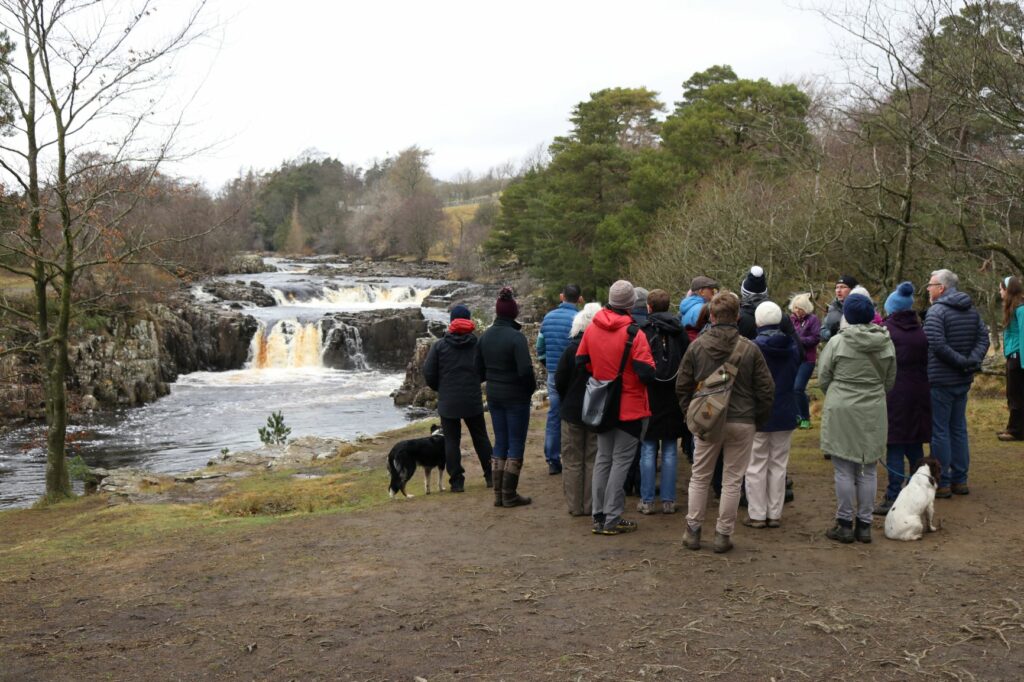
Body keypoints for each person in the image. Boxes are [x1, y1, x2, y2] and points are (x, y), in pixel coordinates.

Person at [676, 291, 775, 553]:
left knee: (700, 477)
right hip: (743, 420)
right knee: (732, 481)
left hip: (708, 417)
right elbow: (766, 390)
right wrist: (757, 419)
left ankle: (693, 532)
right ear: (738, 316)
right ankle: (722, 535)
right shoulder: (750, 348)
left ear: (711, 316)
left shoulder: (697, 346)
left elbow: (682, 385)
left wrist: (691, 416)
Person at [577, 280, 656, 535]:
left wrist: (602, 376)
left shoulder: (592, 328)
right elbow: (646, 373)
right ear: (632, 303)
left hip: (601, 403)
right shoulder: (635, 333)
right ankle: (612, 517)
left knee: (603, 459)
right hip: (629, 406)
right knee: (620, 462)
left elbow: (582, 361)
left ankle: (598, 516)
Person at [819, 293, 896, 544]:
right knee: (869, 468)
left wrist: (838, 392)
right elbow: (890, 380)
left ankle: (844, 523)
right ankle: (864, 525)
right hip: (873, 407)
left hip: (842, 407)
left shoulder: (837, 343)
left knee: (843, 469)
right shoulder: (886, 342)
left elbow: (823, 377)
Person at [923, 269, 990, 497]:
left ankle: (943, 482)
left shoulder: (936, 312)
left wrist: (964, 361)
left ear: (941, 288)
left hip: (941, 379)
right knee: (958, 429)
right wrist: (971, 361)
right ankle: (960, 480)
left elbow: (937, 345)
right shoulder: (972, 311)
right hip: (963, 378)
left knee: (941, 431)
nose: (928, 289)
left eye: (931, 285)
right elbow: (984, 338)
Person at [873, 282, 931, 515]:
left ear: (891, 309)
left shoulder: (886, 332)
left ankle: (893, 495)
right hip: (919, 392)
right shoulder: (920, 331)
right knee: (915, 445)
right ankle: (918, 490)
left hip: (895, 394)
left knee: (895, 445)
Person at [422, 304, 493, 493]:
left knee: (451, 441)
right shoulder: (477, 344)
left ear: (451, 321)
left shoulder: (439, 346)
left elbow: (429, 373)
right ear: (469, 321)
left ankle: (457, 481)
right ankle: (491, 475)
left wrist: (441, 388)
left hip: (448, 401)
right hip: (472, 399)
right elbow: (485, 370)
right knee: (481, 438)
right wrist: (475, 381)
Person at [476, 287, 537, 507]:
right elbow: (525, 371)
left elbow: (478, 370)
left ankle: (499, 495)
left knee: (500, 441)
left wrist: (492, 380)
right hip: (515, 397)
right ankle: (509, 494)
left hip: (494, 395)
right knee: (516, 442)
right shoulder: (516, 337)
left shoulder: (485, 337)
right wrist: (529, 390)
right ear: (513, 313)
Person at [744, 301, 800, 529]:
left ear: (758, 322)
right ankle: (774, 513)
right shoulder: (793, 347)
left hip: (758, 411)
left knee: (756, 463)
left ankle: (757, 514)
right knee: (778, 464)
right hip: (785, 409)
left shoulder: (752, 348)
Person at [637, 289, 689, 515]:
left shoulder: (644, 331)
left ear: (649, 307)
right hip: (674, 394)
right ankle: (668, 500)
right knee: (669, 449)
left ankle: (647, 500)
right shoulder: (680, 331)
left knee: (648, 449)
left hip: (650, 394)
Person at [554, 302, 602, 516]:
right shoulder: (603, 349)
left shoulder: (571, 350)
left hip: (572, 410)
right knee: (593, 458)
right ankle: (591, 505)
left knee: (572, 459)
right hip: (597, 411)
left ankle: (575, 506)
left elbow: (559, 381)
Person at [539, 284, 584, 475]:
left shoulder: (547, 318)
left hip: (553, 372)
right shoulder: (579, 319)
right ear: (579, 299)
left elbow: (540, 348)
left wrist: (547, 364)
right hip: (574, 374)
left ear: (561, 296)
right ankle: (574, 455)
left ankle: (552, 459)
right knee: (576, 415)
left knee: (554, 414)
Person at [736, 266, 799, 342]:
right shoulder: (782, 317)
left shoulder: (737, 318)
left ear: (743, 292)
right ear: (765, 292)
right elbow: (799, 350)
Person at [998, 276, 1024, 441]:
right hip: (1013, 357)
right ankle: (1015, 428)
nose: (999, 292)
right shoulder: (1012, 308)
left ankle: (1015, 431)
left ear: (1008, 290)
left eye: (1001, 288)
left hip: (1018, 358)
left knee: (1015, 396)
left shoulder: (1021, 309)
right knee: (1014, 395)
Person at [789, 293, 820, 429]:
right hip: (793, 358)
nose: (797, 311)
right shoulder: (791, 319)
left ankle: (805, 419)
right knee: (791, 389)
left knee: (798, 388)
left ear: (806, 308)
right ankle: (797, 417)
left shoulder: (813, 320)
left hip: (807, 359)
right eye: (795, 308)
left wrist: (800, 340)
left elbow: (815, 338)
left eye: (800, 308)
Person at [679, 276, 719, 341]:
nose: (714, 293)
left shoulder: (689, 305)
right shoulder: (701, 309)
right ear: (702, 292)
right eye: (712, 290)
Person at [821, 274, 859, 342]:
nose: (838, 290)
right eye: (837, 287)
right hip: (837, 349)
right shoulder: (832, 308)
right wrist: (831, 333)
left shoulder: (864, 308)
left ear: (853, 289)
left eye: (843, 287)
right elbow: (822, 331)